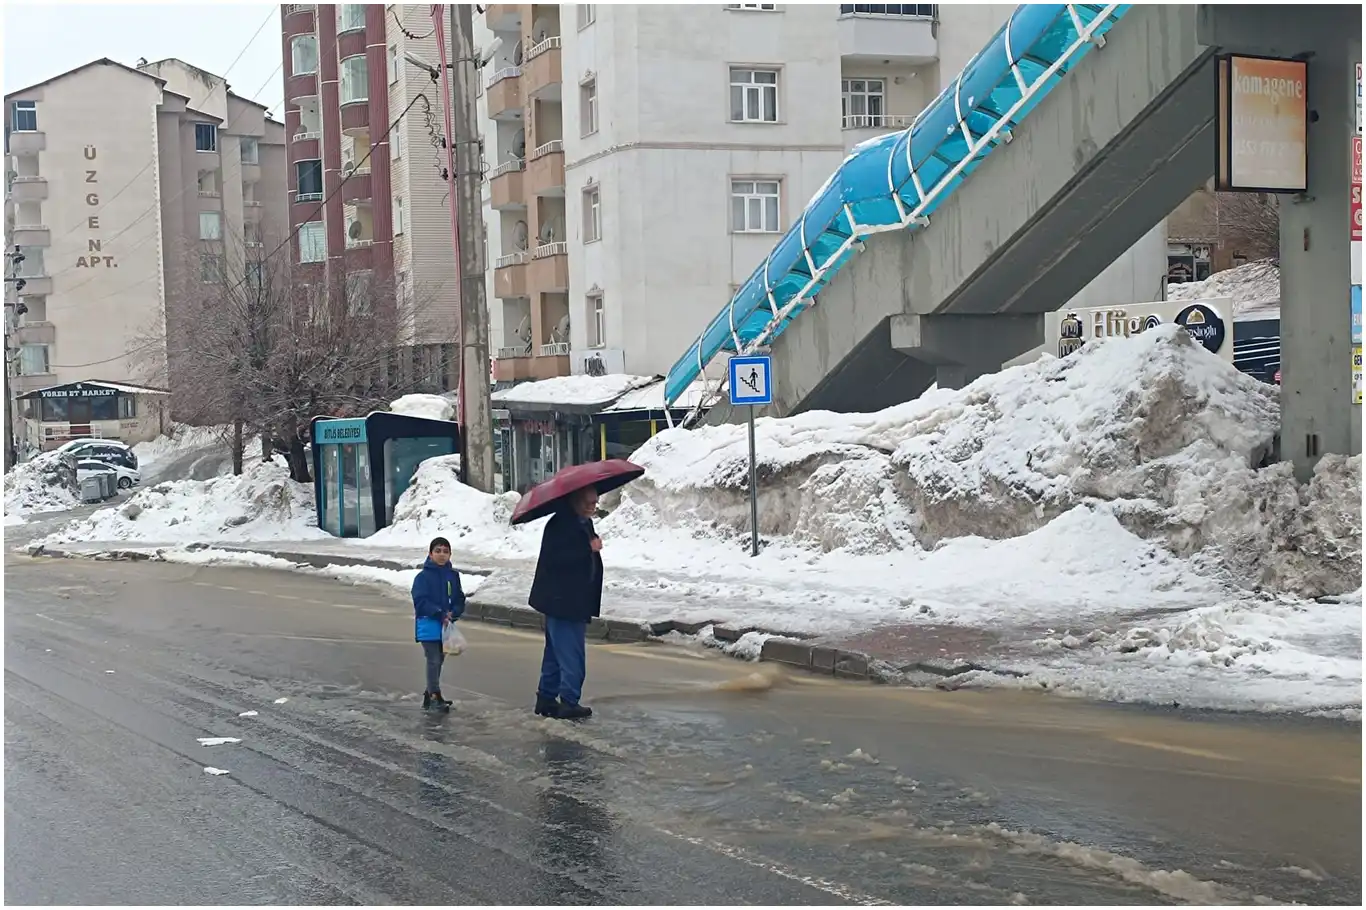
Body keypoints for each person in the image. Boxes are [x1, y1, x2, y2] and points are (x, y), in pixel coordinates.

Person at [528, 486, 603, 720]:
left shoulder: (582, 522)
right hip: (563, 599)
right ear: (574, 500)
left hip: (572, 598)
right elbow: (556, 559)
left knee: (555, 653)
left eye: (595, 501)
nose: (593, 506)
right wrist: (587, 548)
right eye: (588, 502)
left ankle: (547, 698)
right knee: (571, 654)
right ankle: (569, 702)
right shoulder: (560, 524)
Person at [412, 536, 465, 712]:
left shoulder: (453, 576)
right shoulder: (422, 577)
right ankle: (434, 695)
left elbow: (459, 598)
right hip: (428, 624)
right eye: (438, 551)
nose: (442, 555)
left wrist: (454, 612)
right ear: (430, 554)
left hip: (446, 625)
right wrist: (439, 613)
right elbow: (420, 601)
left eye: (445, 551)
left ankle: (430, 694)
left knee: (440, 659)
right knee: (433, 659)